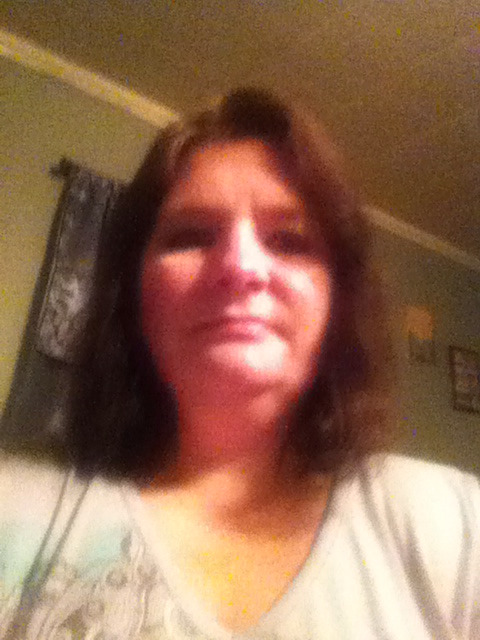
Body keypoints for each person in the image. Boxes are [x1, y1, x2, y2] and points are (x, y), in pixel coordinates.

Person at [0, 88, 478, 639]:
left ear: (336, 302)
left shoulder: (458, 524)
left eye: (290, 240)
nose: (241, 267)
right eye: (191, 236)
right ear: (131, 291)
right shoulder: (16, 512)